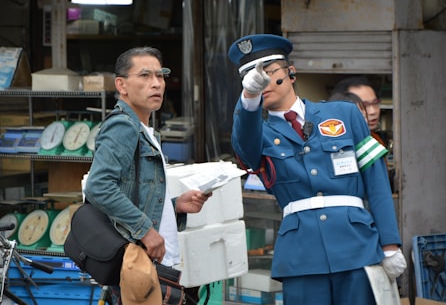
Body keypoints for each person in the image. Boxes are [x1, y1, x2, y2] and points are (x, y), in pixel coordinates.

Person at [228, 34, 406, 305]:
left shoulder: (344, 114)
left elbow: (376, 181)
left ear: (291, 73)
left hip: (357, 245)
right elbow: (243, 142)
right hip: (302, 256)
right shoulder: (258, 133)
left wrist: (390, 244)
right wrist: (249, 98)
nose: (262, 80)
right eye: (252, 77)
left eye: (269, 71)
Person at [84, 46, 211, 304]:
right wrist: (146, 231)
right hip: (139, 261)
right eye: (144, 76)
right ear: (122, 85)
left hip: (154, 262)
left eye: (160, 76)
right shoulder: (123, 125)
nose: (156, 84)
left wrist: (174, 206)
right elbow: (99, 186)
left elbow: (133, 192)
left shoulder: (144, 130)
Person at [332, 76, 386, 146]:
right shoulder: (334, 143)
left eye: (375, 103)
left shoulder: (375, 139)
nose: (373, 111)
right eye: (364, 105)